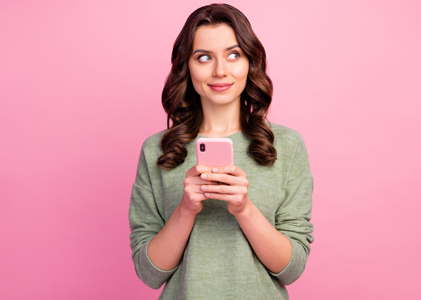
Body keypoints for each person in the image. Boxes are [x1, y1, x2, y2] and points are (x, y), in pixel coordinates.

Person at [127, 3, 315, 300]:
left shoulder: (287, 146)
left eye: (233, 54)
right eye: (203, 57)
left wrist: (244, 209)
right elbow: (150, 274)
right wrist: (186, 209)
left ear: (249, 61)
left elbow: (291, 269)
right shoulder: (157, 150)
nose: (220, 71)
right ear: (186, 66)